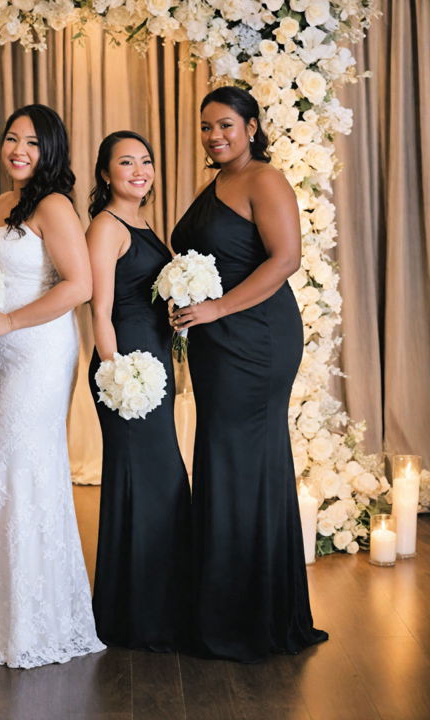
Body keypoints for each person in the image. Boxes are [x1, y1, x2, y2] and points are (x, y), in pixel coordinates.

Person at [170, 86, 328, 662]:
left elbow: (285, 260)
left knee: (244, 462)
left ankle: (251, 618)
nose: (215, 135)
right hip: (217, 343)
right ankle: (225, 609)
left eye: (226, 125)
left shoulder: (265, 179)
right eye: (207, 127)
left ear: (252, 126)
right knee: (223, 458)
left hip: (256, 338)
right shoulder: (214, 184)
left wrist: (213, 308)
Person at [0, 104, 105, 668]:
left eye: (31, 142)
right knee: (4, 470)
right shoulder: (2, 203)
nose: (18, 150)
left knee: (26, 469)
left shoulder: (53, 205)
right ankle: (7, 614)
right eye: (11, 138)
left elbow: (80, 284)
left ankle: (37, 623)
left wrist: (9, 323)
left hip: (38, 350)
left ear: (50, 150)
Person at [86, 131, 191, 651]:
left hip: (152, 360)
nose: (138, 170)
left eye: (145, 161)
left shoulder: (146, 222)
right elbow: (99, 309)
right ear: (106, 174)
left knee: (159, 483)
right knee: (144, 485)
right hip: (127, 367)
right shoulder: (106, 226)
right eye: (125, 163)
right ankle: (136, 618)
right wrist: (116, 372)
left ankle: (158, 608)